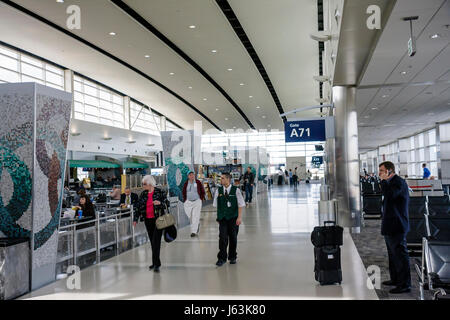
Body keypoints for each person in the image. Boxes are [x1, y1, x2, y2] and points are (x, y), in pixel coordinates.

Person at [378, 161, 411, 294]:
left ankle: (405, 284)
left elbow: (390, 195)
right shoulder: (391, 182)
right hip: (390, 224)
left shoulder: (398, 182)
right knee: (392, 254)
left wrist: (384, 181)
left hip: (397, 224)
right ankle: (395, 279)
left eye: (382, 170)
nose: (379, 173)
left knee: (400, 255)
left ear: (389, 171)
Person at [133, 175, 170, 273]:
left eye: (144, 184)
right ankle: (155, 263)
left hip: (159, 219)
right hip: (148, 220)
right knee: (152, 241)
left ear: (150, 184)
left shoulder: (159, 192)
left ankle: (157, 264)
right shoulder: (143, 194)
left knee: (156, 241)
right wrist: (135, 219)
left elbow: (167, 203)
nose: (143, 186)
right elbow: (138, 206)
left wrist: (160, 203)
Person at [213, 172, 245, 266]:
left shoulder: (236, 190)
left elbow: (240, 204)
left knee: (233, 238)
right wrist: (218, 217)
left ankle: (232, 257)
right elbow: (216, 205)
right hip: (222, 218)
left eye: (223, 178)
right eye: (221, 178)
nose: (221, 180)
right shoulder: (218, 191)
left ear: (228, 179)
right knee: (222, 238)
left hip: (233, 218)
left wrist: (239, 217)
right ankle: (221, 258)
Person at [182, 171, 206, 237]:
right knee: (189, 216)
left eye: (193, 175)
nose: (192, 176)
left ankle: (194, 231)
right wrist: (185, 200)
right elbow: (183, 191)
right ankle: (197, 223)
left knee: (196, 216)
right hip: (188, 202)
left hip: (197, 201)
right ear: (188, 176)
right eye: (190, 175)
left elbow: (202, 191)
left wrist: (201, 198)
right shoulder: (186, 183)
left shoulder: (198, 182)